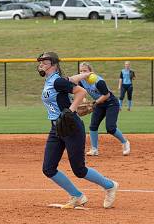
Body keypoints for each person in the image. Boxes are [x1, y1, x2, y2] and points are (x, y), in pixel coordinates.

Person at [36, 52, 119, 209]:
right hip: (57, 127)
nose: (41, 64)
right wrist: (85, 74)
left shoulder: (57, 81)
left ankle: (110, 185)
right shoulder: (53, 80)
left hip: (71, 126)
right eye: (40, 62)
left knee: (79, 170)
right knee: (48, 168)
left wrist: (71, 110)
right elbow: (71, 80)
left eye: (44, 62)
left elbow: (81, 92)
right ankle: (77, 196)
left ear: (53, 64)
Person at [69, 62, 130, 157]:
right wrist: (84, 100)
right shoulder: (82, 81)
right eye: (81, 71)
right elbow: (82, 92)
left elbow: (107, 95)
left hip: (111, 103)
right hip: (99, 104)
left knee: (110, 128)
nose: (82, 72)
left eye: (85, 70)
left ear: (91, 72)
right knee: (93, 126)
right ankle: (94, 149)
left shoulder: (98, 81)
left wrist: (94, 103)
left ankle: (125, 142)